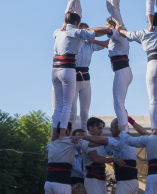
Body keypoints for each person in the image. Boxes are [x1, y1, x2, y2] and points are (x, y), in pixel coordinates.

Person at [117, 14, 157, 131]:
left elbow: (127, 34)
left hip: (153, 63)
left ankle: (154, 128)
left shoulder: (143, 33)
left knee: (153, 100)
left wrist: (118, 29)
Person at [52, 12, 109, 140]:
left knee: (81, 111)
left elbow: (105, 44)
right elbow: (102, 32)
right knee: (69, 109)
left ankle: (78, 136)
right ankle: (65, 134)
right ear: (77, 25)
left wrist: (91, 38)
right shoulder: (76, 34)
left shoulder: (60, 33)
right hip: (70, 72)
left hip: (68, 72)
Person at [94, 18, 133, 128]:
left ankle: (124, 130)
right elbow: (107, 44)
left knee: (118, 103)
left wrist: (88, 30)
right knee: (120, 103)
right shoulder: (116, 37)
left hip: (121, 71)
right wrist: (93, 41)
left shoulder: (117, 34)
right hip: (122, 71)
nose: (106, 27)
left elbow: (107, 31)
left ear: (112, 25)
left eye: (107, 25)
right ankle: (125, 128)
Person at [70, 23, 106, 132]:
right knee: (72, 112)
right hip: (74, 78)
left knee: (84, 112)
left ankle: (84, 136)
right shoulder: (73, 43)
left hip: (85, 79)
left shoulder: (90, 44)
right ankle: (69, 135)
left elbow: (108, 44)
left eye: (87, 32)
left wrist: (95, 39)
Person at [107, 118, 138, 194]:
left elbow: (105, 142)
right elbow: (109, 149)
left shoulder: (123, 141)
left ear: (119, 128)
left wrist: (87, 138)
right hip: (131, 180)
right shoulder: (124, 141)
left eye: (112, 127)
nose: (110, 129)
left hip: (125, 181)